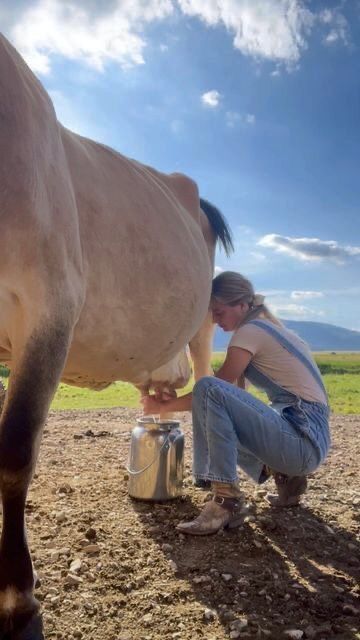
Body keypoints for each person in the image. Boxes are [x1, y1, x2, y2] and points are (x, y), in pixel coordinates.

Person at [142, 271, 331, 536]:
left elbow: (215, 389)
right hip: (309, 439)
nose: (215, 320)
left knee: (207, 386)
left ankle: (225, 501)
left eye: (218, 312)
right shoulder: (277, 331)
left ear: (242, 305)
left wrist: (162, 407)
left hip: (301, 441)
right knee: (218, 409)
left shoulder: (250, 331)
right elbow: (226, 403)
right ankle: (285, 477)